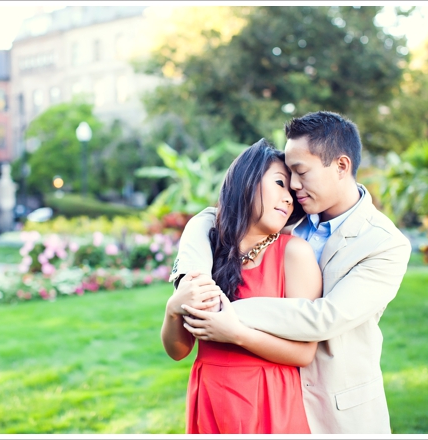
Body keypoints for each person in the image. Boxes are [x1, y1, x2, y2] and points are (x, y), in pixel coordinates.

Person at [174, 111, 411, 434]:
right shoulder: (286, 215)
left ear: (341, 166)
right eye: (288, 175)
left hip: (335, 409)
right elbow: (210, 218)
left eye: (300, 172)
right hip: (255, 394)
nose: (294, 185)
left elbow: (324, 317)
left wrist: (225, 309)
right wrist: (190, 280)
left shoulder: (385, 244)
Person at [161, 139, 322, 434]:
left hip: (269, 400)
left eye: (291, 192)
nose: (289, 198)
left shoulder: (294, 254)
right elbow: (178, 351)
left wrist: (236, 334)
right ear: (245, 181)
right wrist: (173, 309)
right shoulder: (206, 253)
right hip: (211, 395)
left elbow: (304, 353)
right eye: (279, 183)